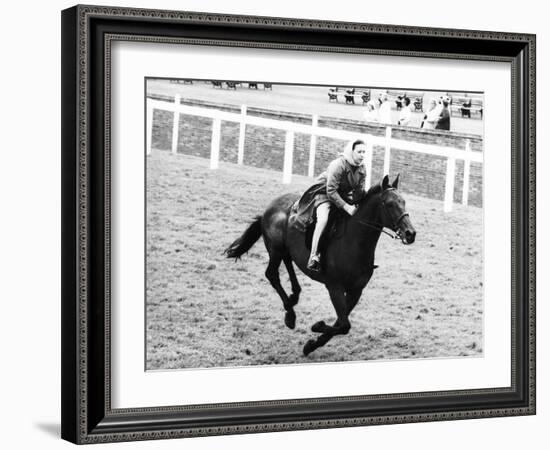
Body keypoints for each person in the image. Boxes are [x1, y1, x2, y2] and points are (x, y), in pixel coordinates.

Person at [306, 140, 368, 272]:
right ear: (351, 152)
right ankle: (314, 256)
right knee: (323, 219)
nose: (362, 155)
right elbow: (331, 191)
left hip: (343, 196)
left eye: (364, 152)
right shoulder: (338, 164)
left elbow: (360, 192)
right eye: (359, 152)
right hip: (324, 193)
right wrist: (347, 207)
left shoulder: (362, 169)